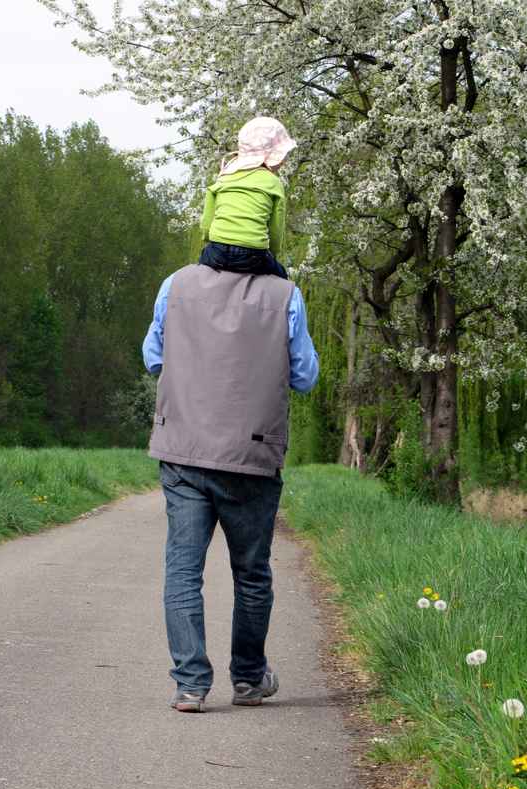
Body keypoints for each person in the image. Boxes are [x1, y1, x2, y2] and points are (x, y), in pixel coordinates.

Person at [142, 124, 319, 714]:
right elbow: (304, 376)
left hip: (184, 449)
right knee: (252, 573)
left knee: (182, 570)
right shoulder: (285, 296)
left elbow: (154, 357)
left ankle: (191, 684)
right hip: (251, 454)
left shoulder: (176, 285)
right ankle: (248, 678)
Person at [199, 117, 297, 280]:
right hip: (253, 255)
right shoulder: (273, 182)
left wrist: (211, 239)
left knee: (200, 268)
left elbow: (206, 227)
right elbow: (275, 233)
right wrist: (272, 253)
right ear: (272, 155)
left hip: (217, 251)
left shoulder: (224, 177)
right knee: (281, 278)